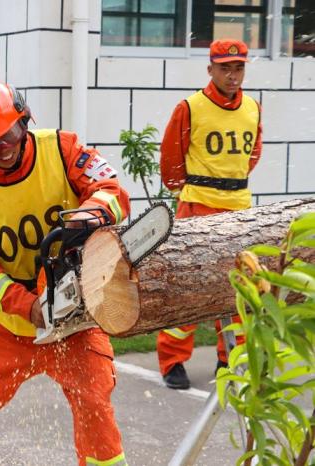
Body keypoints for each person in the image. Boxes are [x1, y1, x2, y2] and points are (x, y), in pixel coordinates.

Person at [0, 80, 130, 465]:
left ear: (23, 120)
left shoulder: (62, 148)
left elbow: (111, 190)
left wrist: (89, 215)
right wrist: (28, 306)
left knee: (94, 402)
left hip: (77, 318)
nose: (4, 148)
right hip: (12, 324)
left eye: (9, 135)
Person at [157, 39, 263, 390]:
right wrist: (189, 192)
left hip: (240, 209)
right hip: (198, 205)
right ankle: (172, 359)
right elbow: (171, 160)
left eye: (239, 68)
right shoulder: (190, 107)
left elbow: (252, 154)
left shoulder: (253, 107)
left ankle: (229, 358)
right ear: (211, 69)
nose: (233, 76)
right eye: (225, 68)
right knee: (189, 286)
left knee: (238, 290)